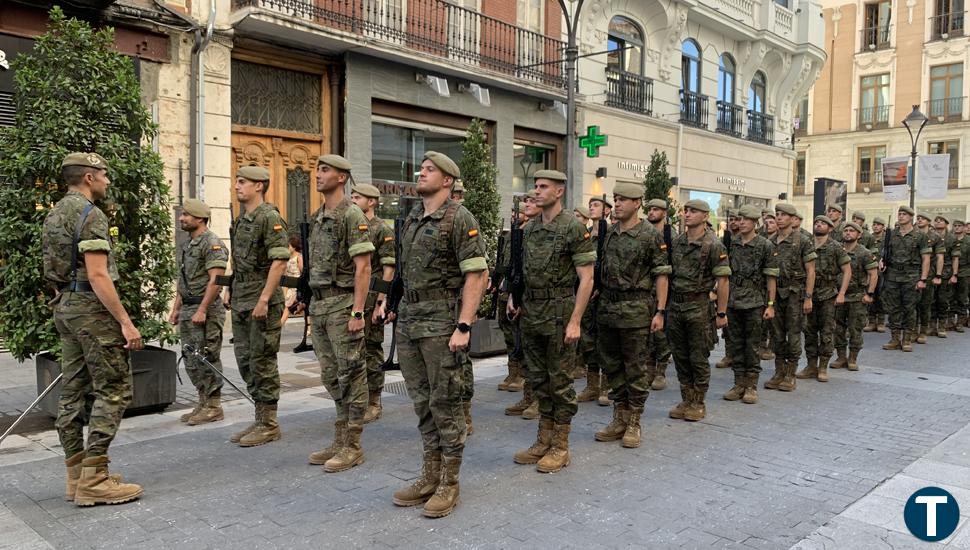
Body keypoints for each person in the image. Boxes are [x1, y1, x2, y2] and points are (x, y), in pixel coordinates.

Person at [388, 151, 487, 518]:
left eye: (430, 170)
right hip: (411, 321)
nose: (422, 172)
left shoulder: (459, 218)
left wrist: (464, 325)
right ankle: (430, 474)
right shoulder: (414, 217)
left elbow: (476, 275)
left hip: (442, 322)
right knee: (421, 401)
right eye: (422, 168)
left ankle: (450, 481)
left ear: (447, 180)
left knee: (445, 401)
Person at [43, 152, 144, 506]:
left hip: (66, 308)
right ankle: (95, 479)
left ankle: (76, 475)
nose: (108, 180)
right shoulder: (91, 215)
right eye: (104, 174)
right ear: (89, 177)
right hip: (91, 310)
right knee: (113, 389)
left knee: (72, 391)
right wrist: (125, 322)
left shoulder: (55, 212)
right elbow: (98, 274)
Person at [511, 169, 595, 472]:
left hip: (560, 312)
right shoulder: (530, 229)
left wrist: (575, 321)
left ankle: (561, 444)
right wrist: (515, 298)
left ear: (558, 192)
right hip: (532, 312)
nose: (536, 191)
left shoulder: (573, 228)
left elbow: (586, 279)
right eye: (535, 186)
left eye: (543, 186)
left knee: (560, 381)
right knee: (538, 378)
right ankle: (543, 439)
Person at [303, 155, 374, 473]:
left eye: (325, 170)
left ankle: (353, 445)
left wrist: (358, 311)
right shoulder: (318, 217)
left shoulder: (351, 214)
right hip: (320, 306)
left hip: (343, 305)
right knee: (331, 375)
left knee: (351, 374)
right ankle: (340, 437)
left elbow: (364, 267)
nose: (318, 175)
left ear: (342, 178)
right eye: (317, 169)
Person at [593, 182, 670, 448]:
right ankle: (620, 416)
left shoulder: (650, 235)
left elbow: (661, 275)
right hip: (609, 309)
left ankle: (634, 420)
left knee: (635, 368)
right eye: (615, 199)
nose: (618, 204)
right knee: (612, 366)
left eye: (623, 200)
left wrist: (660, 311)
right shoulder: (610, 233)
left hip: (637, 309)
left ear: (637, 203)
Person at [225, 165, 290, 447]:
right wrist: (229, 288)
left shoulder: (269, 218)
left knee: (262, 360)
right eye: (237, 182)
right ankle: (259, 416)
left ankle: (269, 423)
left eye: (243, 182)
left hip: (261, 300)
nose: (237, 186)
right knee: (245, 360)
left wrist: (264, 298)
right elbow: (238, 261)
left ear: (259, 186)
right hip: (241, 297)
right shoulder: (241, 221)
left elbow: (279, 261)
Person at [667, 199, 731, 421]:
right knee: (680, 355)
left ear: (705, 216)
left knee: (698, 356)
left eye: (693, 211)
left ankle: (698, 401)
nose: (687, 214)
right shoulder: (677, 242)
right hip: (675, 306)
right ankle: (686, 398)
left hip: (699, 307)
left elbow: (722, 281)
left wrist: (721, 313)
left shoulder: (714, 245)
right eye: (686, 210)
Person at [168, 198, 228, 426]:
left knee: (207, 356)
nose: (181, 218)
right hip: (189, 308)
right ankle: (203, 402)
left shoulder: (211, 244)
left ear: (200, 218)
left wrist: (202, 308)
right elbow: (184, 281)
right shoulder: (189, 244)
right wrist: (176, 308)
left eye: (186, 215)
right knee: (192, 358)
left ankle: (214, 406)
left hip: (207, 309)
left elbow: (216, 281)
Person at [350, 183, 396, 424]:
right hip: (353, 297)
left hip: (372, 297)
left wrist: (382, 301)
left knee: (371, 350)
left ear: (372, 202)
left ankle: (374, 401)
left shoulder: (381, 229)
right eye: (352, 196)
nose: (353, 200)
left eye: (358, 197)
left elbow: (389, 267)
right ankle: (356, 400)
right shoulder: (350, 225)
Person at [723, 205, 777, 404]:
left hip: (755, 302)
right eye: (739, 219)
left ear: (755, 222)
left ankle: (751, 386)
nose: (741, 222)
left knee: (752, 345)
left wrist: (770, 304)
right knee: (736, 344)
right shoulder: (734, 242)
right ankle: (739, 383)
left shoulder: (765, 245)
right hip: (734, 300)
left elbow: (771, 277)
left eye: (745, 219)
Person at [766, 204, 816, 393]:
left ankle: (790, 374)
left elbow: (811, 271)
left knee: (794, 334)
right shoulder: (770, 242)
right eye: (777, 214)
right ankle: (779, 371)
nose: (779, 218)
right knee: (777, 334)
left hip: (795, 293)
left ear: (792, 218)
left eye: (783, 215)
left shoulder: (803, 241)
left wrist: (808, 297)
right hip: (775, 293)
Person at [796, 216, 850, 383]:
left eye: (823, 223)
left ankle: (823, 366)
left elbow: (847, 271)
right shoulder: (806, 244)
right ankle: (811, 365)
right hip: (808, 293)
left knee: (827, 331)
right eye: (816, 223)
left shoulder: (835, 247)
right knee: (809, 331)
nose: (818, 224)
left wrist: (842, 293)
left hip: (827, 293)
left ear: (830, 228)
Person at [576, 194, 613, 406]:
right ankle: (591, 385)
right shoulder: (586, 234)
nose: (592, 208)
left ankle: (606, 386)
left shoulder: (611, 235)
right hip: (588, 295)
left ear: (607, 210)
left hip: (605, 295)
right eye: (590, 204)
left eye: (597, 204)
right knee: (588, 340)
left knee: (605, 341)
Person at [881, 206, 932, 352]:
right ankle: (895, 338)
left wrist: (923, 279)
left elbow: (926, 258)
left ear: (911, 217)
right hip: (892, 275)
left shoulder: (920, 236)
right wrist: (881, 261)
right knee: (893, 308)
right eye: (900, 214)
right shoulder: (891, 234)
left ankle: (907, 339)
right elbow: (884, 253)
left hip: (911, 276)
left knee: (910, 308)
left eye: (904, 214)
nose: (901, 216)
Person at [832, 222, 878, 372]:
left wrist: (869, 294)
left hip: (857, 296)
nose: (848, 233)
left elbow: (873, 275)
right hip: (838, 295)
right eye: (846, 230)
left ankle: (852, 358)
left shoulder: (864, 253)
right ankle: (840, 356)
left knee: (855, 328)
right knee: (838, 328)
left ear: (859, 235)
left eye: (852, 231)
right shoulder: (837, 250)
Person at [645, 198, 675, 390]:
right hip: (646, 289)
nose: (651, 213)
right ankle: (648, 368)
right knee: (647, 331)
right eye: (649, 209)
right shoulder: (644, 233)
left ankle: (660, 370)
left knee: (661, 333)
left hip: (664, 289)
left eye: (656, 209)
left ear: (664, 213)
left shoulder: (671, 235)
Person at [915, 212, 945, 342]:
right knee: (912, 304)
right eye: (918, 218)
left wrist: (938, 275)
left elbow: (940, 257)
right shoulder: (913, 234)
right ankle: (912, 330)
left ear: (928, 221)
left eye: (923, 218)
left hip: (929, 274)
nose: (919, 220)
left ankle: (923, 331)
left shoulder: (935, 237)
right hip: (913, 273)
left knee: (926, 304)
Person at [932, 214, 960, 337]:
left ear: (946, 224)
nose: (938, 222)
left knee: (943, 300)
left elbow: (955, 258)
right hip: (932, 272)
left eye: (941, 221)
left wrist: (954, 274)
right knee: (931, 300)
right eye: (936, 221)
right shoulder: (930, 237)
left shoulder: (952, 238)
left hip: (946, 273)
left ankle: (942, 325)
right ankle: (932, 325)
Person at [758, 210, 779, 360]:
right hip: (762, 285)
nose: (768, 225)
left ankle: (772, 346)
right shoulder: (762, 240)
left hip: (780, 285)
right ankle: (761, 346)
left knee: (775, 320)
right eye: (766, 222)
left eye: (772, 222)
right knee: (761, 318)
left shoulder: (780, 241)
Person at [864, 217, 888, 332]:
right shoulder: (870, 238)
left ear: (883, 226)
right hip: (871, 270)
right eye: (874, 224)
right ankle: (872, 320)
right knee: (870, 294)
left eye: (878, 224)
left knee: (881, 296)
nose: (876, 226)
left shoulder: (887, 239)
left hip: (883, 272)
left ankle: (881, 321)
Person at [280, 235, 303, 326]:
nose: (288, 248)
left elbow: (302, 271)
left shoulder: (298, 257)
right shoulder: (287, 258)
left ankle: (280, 324)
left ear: (294, 246)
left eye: (289, 246)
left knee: (287, 307)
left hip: (296, 284)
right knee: (287, 305)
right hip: (289, 284)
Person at [954, 220, 970, 331]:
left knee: (962, 297)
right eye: (955, 226)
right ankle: (950, 320)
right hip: (951, 271)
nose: (957, 228)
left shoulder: (968, 241)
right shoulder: (951, 240)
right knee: (950, 296)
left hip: (965, 271)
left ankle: (961, 320)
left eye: (959, 226)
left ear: (964, 228)